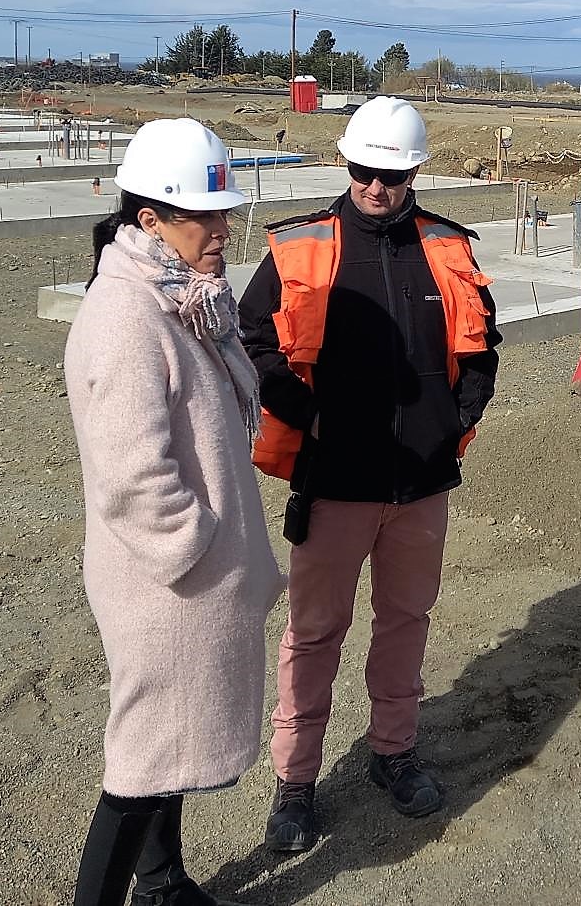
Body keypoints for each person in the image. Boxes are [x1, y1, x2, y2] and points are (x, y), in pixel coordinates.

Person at [239, 95, 499, 853]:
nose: (376, 189)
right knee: (315, 633)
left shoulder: (448, 248)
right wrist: (294, 403)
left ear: (415, 171)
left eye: (390, 175)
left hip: (420, 483)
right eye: (363, 172)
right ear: (346, 164)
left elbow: (482, 344)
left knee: (406, 623)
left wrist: (457, 420)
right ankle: (296, 782)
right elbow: (251, 336)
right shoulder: (300, 247)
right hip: (333, 483)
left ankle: (394, 751)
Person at [63, 119, 284, 906]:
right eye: (205, 216)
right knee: (142, 764)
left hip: (188, 585)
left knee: (172, 752)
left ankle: (161, 882)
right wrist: (199, 546)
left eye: (225, 212)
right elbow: (130, 475)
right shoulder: (127, 316)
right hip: (166, 590)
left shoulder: (174, 297)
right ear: (149, 221)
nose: (223, 229)